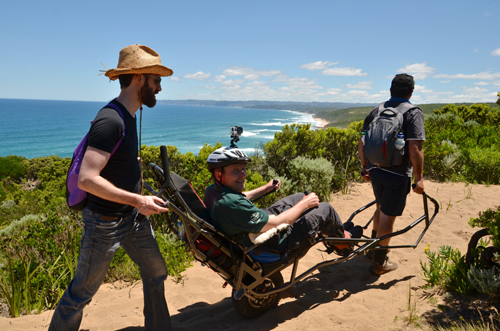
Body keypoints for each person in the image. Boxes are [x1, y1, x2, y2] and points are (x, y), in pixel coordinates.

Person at [49, 45, 174, 331]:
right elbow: (87, 179)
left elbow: (112, 165)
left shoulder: (129, 116)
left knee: (156, 272)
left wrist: (131, 167)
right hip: (105, 223)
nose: (159, 88)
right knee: (81, 293)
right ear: (139, 78)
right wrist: (138, 200)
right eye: (156, 80)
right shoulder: (111, 120)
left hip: (131, 218)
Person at [203, 146, 357, 258]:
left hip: (251, 228)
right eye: (235, 170)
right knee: (325, 208)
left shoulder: (213, 191)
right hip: (277, 240)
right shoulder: (232, 205)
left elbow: (240, 197)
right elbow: (277, 223)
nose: (243, 174)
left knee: (298, 196)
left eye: (243, 169)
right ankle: (343, 243)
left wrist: (266, 188)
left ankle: (331, 230)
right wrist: (305, 204)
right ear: (218, 174)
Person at [359, 73, 425, 275]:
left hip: (375, 169)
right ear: (411, 92)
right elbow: (414, 149)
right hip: (397, 174)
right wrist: (419, 178)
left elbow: (362, 142)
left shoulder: (377, 110)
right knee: (388, 217)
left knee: (380, 207)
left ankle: (372, 249)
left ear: (390, 90)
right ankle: (380, 262)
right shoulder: (412, 113)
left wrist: (365, 167)